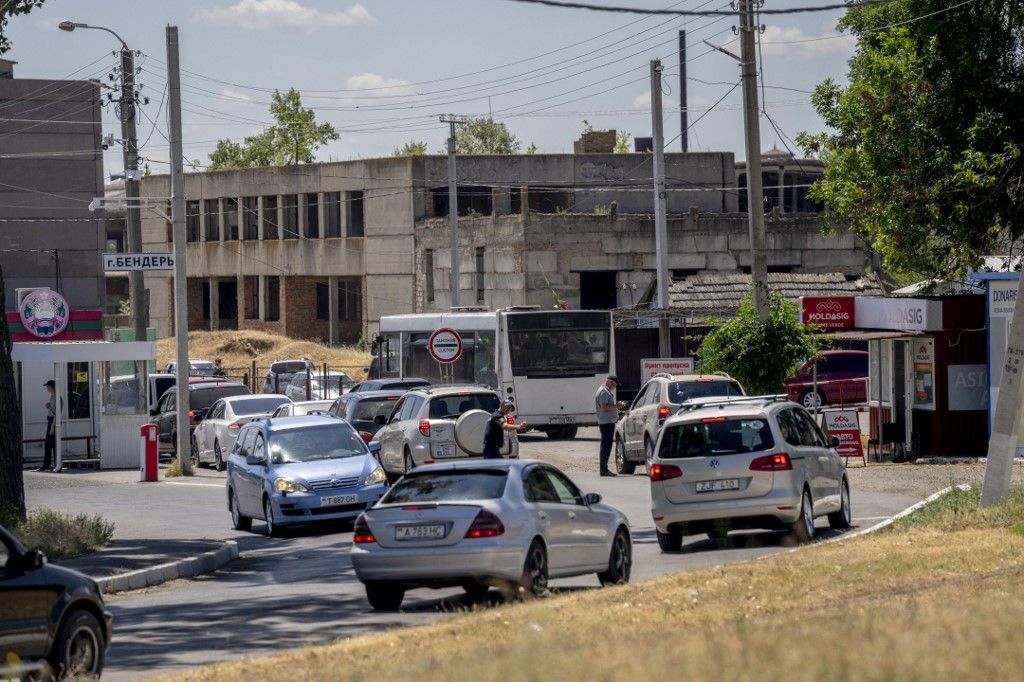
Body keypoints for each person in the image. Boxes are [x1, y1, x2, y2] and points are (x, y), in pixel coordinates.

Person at [595, 375, 620, 476]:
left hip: (607, 422)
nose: (614, 387)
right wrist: (617, 406)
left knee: (606, 446)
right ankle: (604, 470)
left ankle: (604, 469)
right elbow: (605, 407)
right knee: (606, 447)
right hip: (606, 423)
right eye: (614, 384)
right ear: (609, 382)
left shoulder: (604, 391)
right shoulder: (603, 392)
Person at [38, 380, 57, 472]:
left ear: (52, 387)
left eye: (48, 387)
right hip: (50, 420)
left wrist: (52, 426)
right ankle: (47, 464)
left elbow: (57, 413)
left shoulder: (57, 398)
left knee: (53, 444)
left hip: (53, 422)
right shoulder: (52, 397)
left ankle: (54, 464)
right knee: (48, 444)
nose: (47, 389)